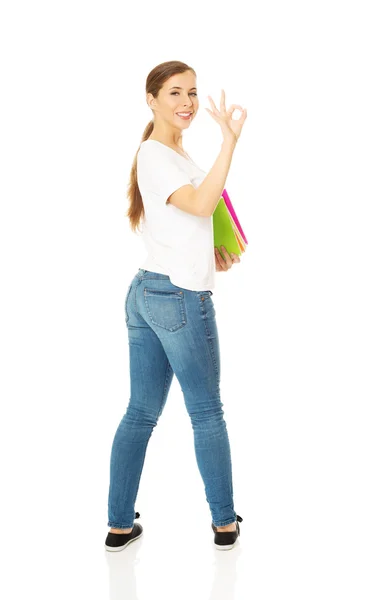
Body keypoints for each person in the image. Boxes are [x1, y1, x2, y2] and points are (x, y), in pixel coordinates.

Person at [105, 60, 247, 552]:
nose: (186, 102)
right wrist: (230, 141)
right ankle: (225, 523)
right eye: (174, 93)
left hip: (150, 290)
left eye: (191, 92)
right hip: (178, 297)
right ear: (152, 100)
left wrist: (212, 257)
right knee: (207, 413)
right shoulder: (155, 153)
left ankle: (119, 524)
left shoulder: (170, 154)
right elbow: (203, 205)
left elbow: (181, 225)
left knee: (141, 411)